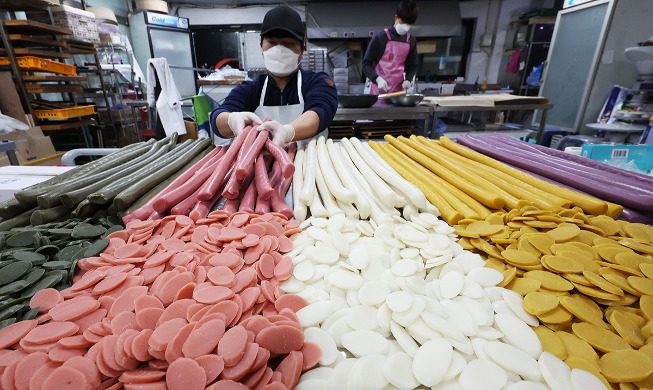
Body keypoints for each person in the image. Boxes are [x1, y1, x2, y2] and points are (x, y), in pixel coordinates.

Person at [210, 6, 338, 145]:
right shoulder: (251, 89)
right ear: (261, 46)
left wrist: (288, 132)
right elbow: (218, 117)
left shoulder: (318, 82)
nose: (279, 50)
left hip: (311, 163)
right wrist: (231, 120)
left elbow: (320, 111)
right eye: (272, 43)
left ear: (302, 50)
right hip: (262, 165)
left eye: (288, 44)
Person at [362, 0, 419, 94]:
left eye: (409, 24)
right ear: (396, 17)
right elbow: (366, 65)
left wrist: (408, 80)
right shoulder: (380, 37)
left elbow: (412, 66)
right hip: (378, 92)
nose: (406, 26)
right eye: (404, 22)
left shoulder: (411, 41)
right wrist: (378, 79)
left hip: (398, 94)